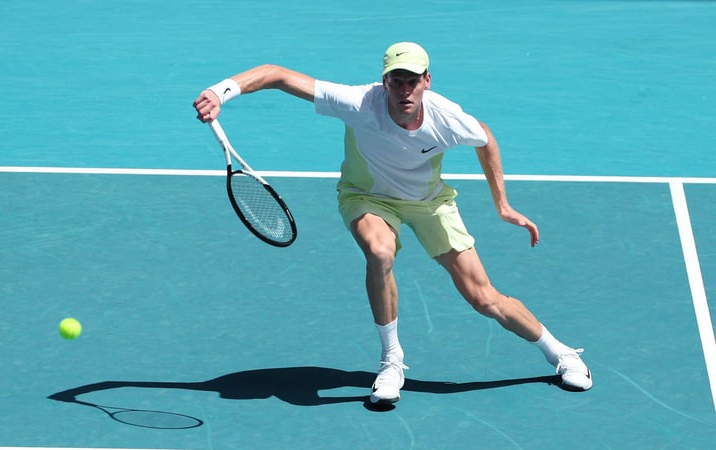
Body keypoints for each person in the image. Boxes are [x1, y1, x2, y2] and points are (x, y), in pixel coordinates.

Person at [193, 42, 592, 405]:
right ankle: (391, 362)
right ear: (384, 82)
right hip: (367, 197)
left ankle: (561, 353)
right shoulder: (358, 103)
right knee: (379, 251)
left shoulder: (446, 117)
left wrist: (502, 204)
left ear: (427, 81)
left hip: (430, 203)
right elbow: (277, 75)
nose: (405, 90)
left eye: (412, 81)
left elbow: (485, 138)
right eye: (396, 81)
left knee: (484, 298)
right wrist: (220, 91)